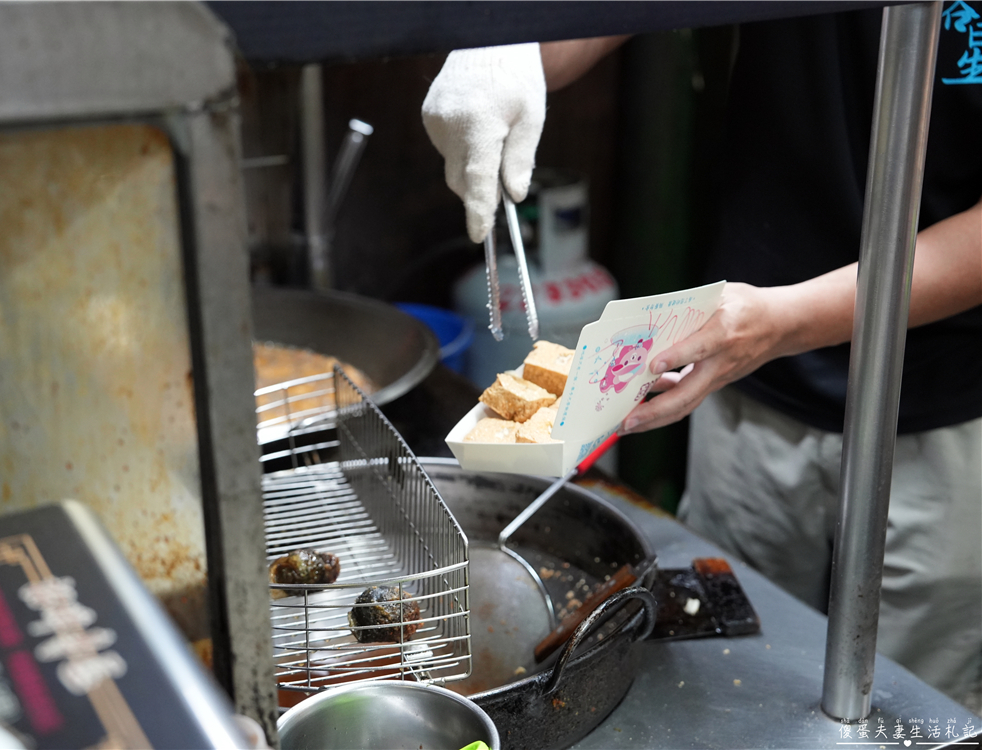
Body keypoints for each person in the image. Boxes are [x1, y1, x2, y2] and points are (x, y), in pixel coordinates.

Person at [421, 6, 982, 712]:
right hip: (747, 393)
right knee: (728, 680)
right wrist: (516, 51)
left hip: (946, 414)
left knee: (909, 706)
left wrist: (784, 321)